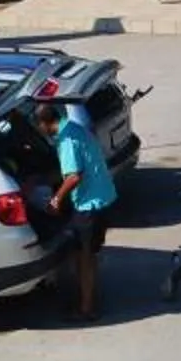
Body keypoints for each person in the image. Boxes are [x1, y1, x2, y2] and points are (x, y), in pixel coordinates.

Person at [34, 96, 115, 319]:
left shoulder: (67, 140)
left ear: (44, 123)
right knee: (85, 254)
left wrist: (56, 200)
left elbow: (73, 176)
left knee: (84, 256)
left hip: (90, 205)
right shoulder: (73, 128)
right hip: (102, 197)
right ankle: (86, 299)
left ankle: (87, 309)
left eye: (39, 126)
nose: (40, 131)